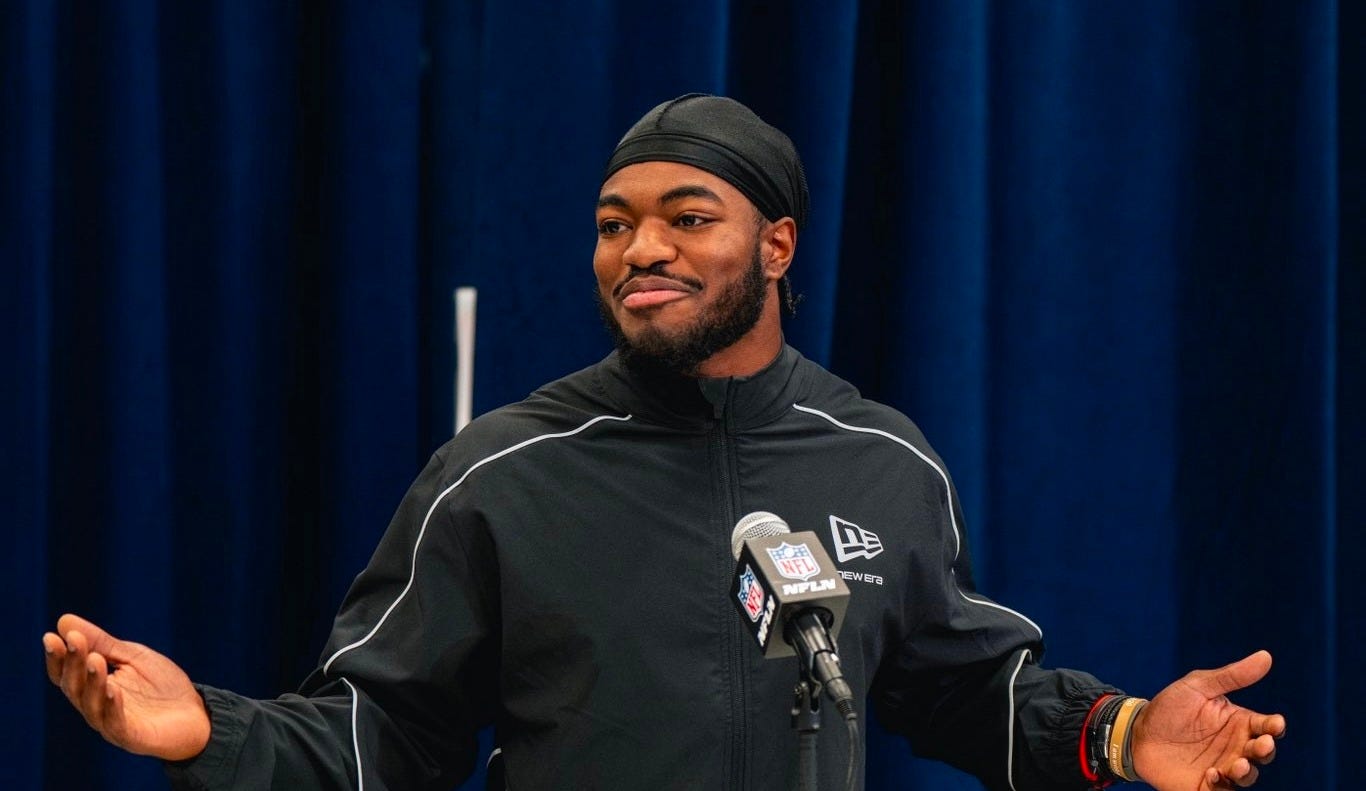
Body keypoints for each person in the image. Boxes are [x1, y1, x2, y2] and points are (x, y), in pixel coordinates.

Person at [43, 94, 1284, 790]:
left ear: (778, 248)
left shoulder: (881, 458)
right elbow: (385, 730)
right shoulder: (501, 471)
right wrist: (205, 726)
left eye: (687, 217)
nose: (641, 251)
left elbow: (959, 683)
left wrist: (1124, 731)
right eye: (613, 224)